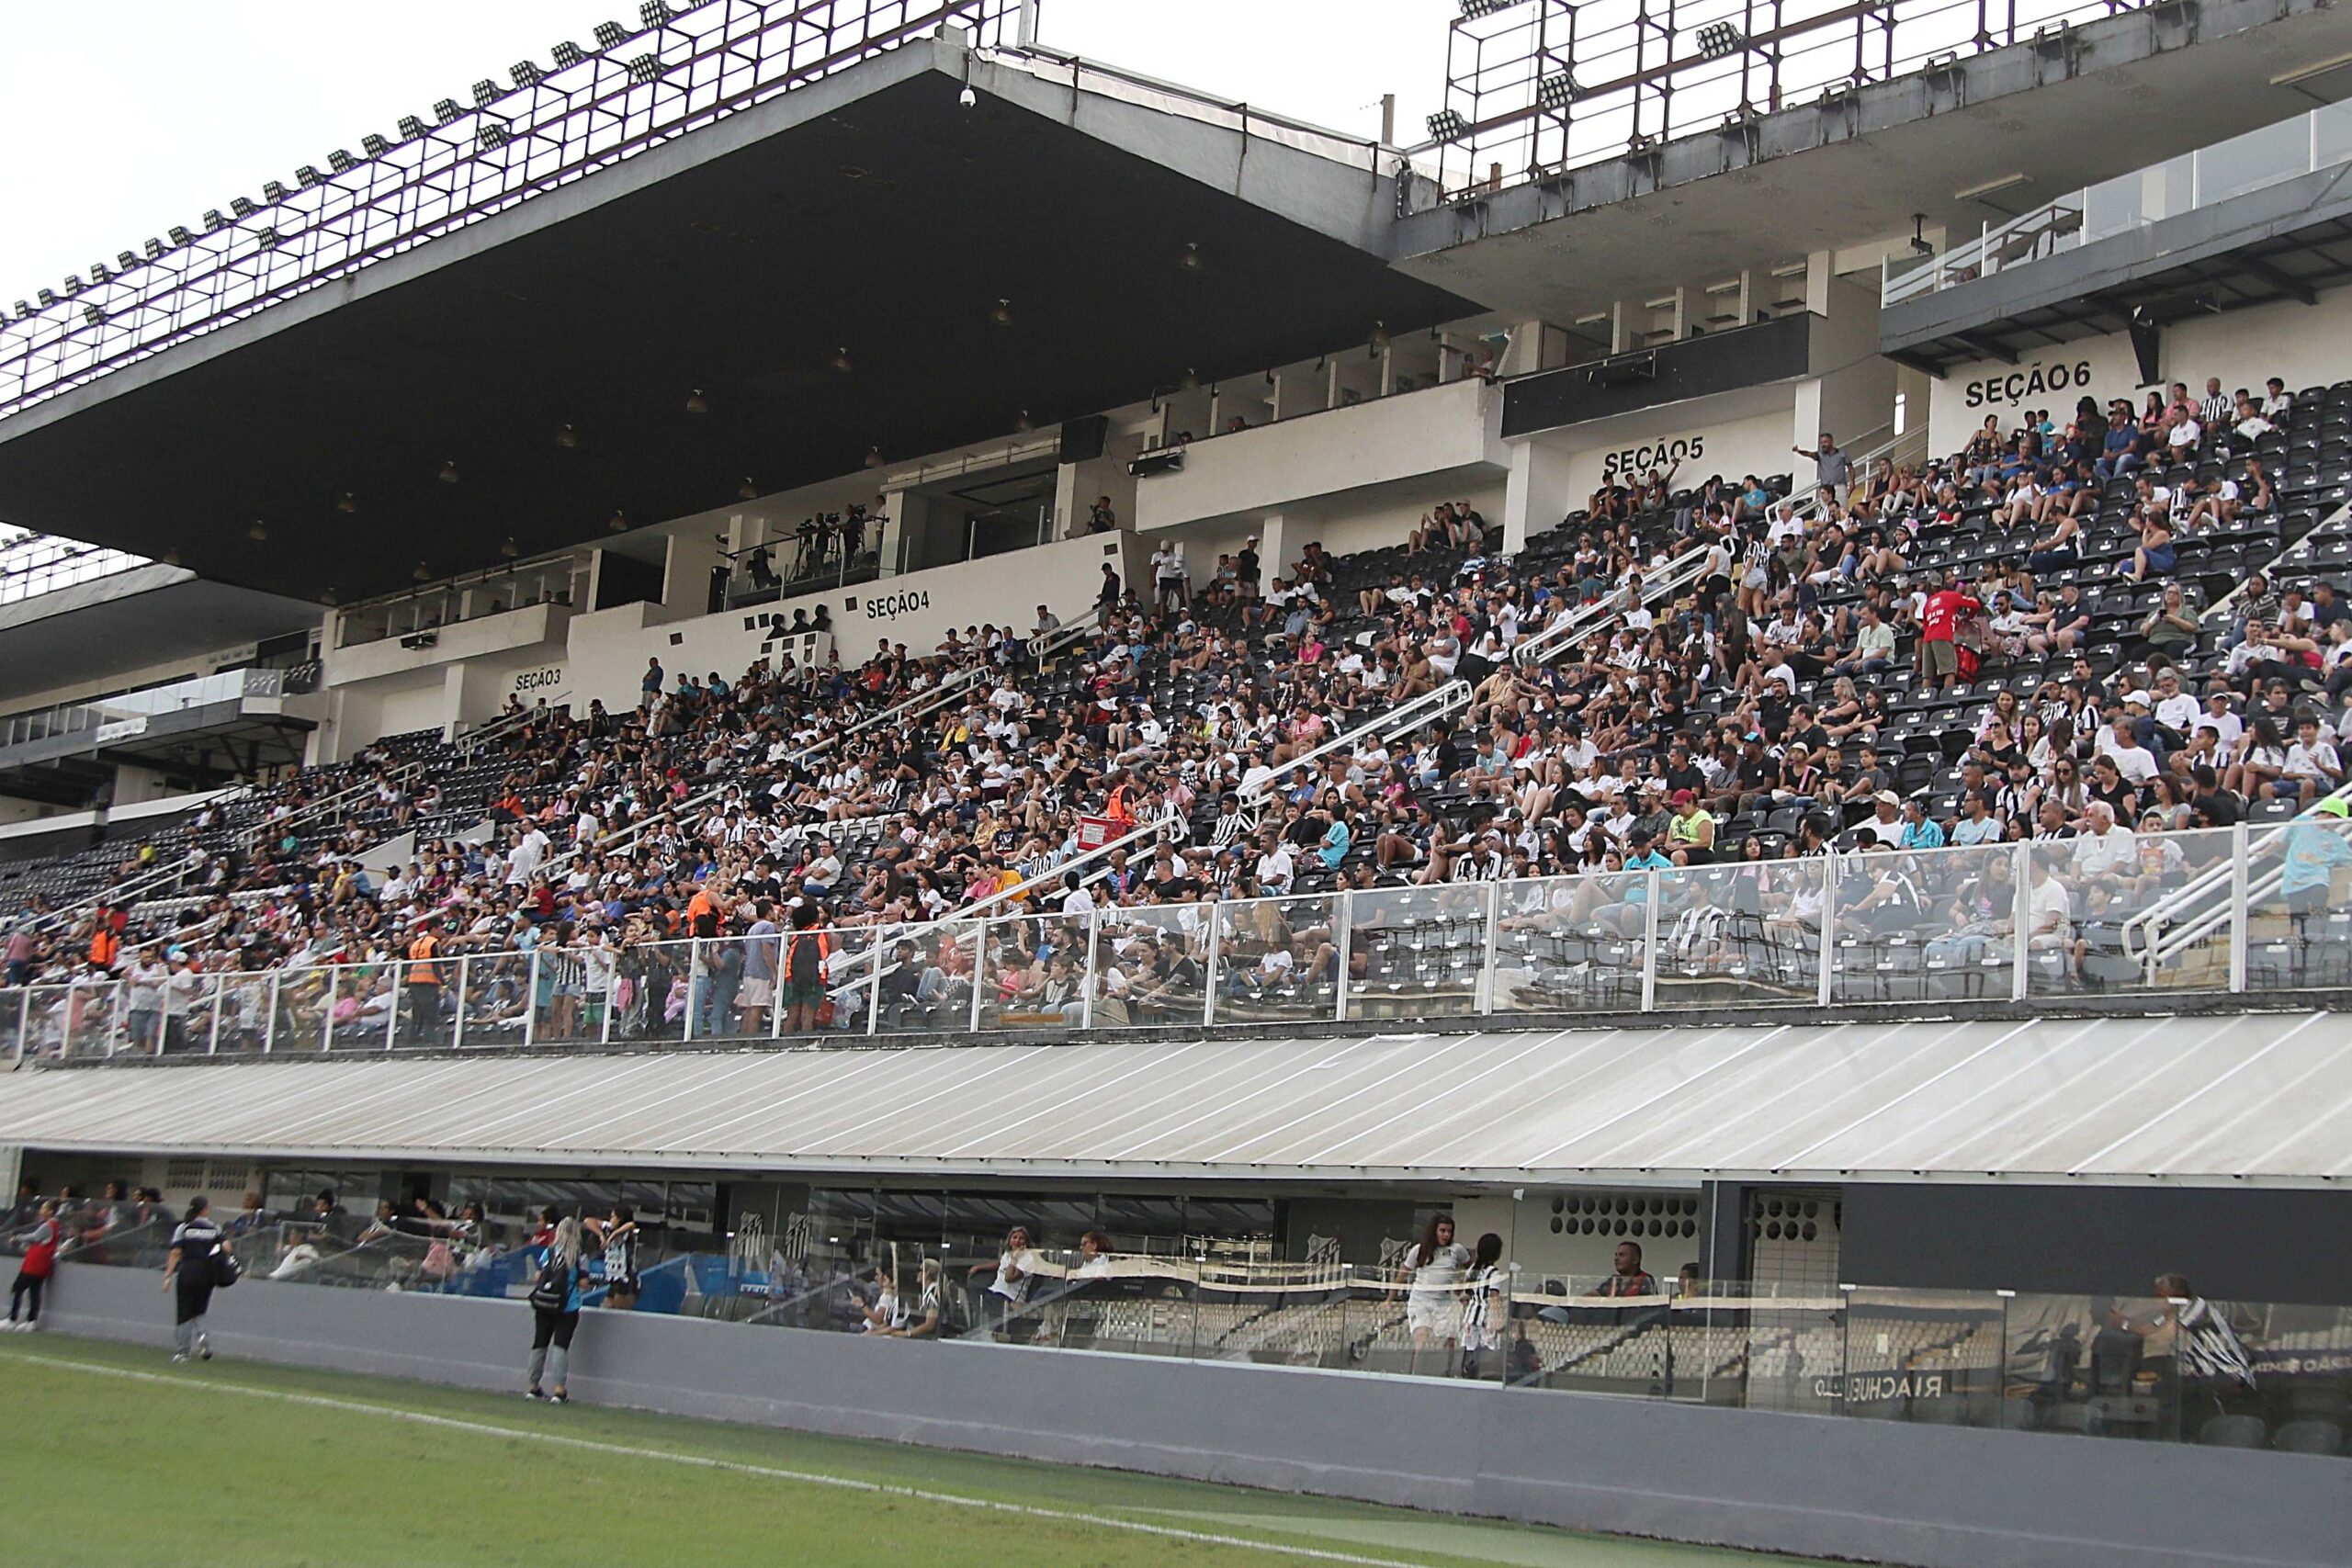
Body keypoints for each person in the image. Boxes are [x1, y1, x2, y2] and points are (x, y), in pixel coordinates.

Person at [526, 1214, 587, 1403]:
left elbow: (538, 1276)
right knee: (561, 1346)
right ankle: (559, 1389)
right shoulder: (580, 1256)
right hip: (568, 1306)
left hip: (544, 1304)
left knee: (539, 1344)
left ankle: (533, 1386)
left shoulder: (549, 1252)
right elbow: (584, 1283)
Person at [1397, 1214, 1471, 1367]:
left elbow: (1470, 1268)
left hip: (1443, 1301)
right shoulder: (1419, 1250)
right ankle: (1414, 1373)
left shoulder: (1457, 1249)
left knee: (1450, 1337)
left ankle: (1449, 1371)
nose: (1446, 1235)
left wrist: (1462, 1285)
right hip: (1420, 1300)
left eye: (1449, 1231)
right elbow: (1403, 1273)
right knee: (1421, 1336)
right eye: (1442, 1231)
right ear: (1434, 1231)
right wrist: (1389, 1298)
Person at [162, 1194, 228, 1363]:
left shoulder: (184, 1228)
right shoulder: (214, 1228)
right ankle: (203, 1336)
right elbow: (227, 1247)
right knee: (200, 1310)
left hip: (187, 1273)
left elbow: (175, 1253)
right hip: (207, 1275)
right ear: (204, 1210)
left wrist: (168, 1275)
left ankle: (183, 1352)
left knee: (184, 1312)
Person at [1455, 1231, 1508, 1380]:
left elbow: (1461, 1291)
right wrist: (1498, 1319)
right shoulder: (1494, 1274)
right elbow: (1494, 1297)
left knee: (1469, 1347)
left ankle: (1466, 1374)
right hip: (1485, 1316)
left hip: (1470, 1315)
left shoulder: (1473, 1270)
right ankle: (1478, 1376)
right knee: (1484, 1349)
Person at [7, 1198, 59, 1331]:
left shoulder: (48, 1225)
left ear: (51, 1211)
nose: (41, 1211)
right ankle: (31, 1320)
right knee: (35, 1292)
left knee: (18, 1288)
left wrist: (18, 1237)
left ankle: (12, 1318)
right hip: (42, 1265)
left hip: (34, 1265)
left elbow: (35, 1237)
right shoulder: (54, 1225)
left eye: (44, 1208)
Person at [603, 1204, 641, 1311]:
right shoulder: (608, 1230)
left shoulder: (628, 1233)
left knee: (619, 1311)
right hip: (615, 1278)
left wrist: (613, 1235)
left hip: (627, 1278)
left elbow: (631, 1225)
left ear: (620, 1219)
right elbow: (590, 1221)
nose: (610, 1220)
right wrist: (602, 1236)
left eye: (613, 1217)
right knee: (605, 1307)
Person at [1590, 1240, 1657, 1297]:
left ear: (1635, 1259)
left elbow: (1649, 1307)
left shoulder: (1646, 1280)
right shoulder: (1613, 1281)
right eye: (1616, 1255)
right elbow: (1595, 1294)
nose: (1616, 1259)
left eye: (1621, 1255)